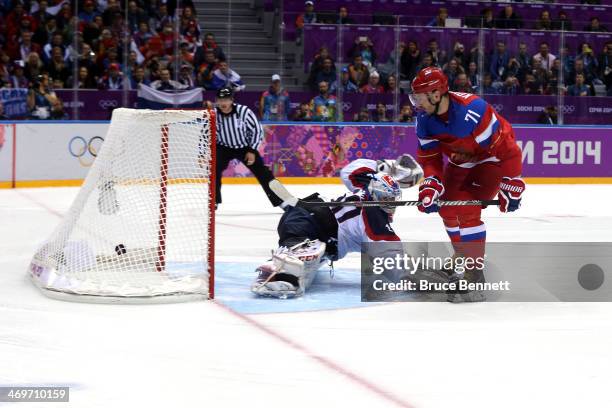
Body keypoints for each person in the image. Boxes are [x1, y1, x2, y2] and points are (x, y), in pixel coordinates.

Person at [409, 67, 524, 302]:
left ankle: (475, 275)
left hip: (491, 159)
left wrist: (511, 182)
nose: (417, 102)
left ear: (437, 93)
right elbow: (430, 159)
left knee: (466, 207)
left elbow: (509, 152)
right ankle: (461, 256)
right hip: (461, 160)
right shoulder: (424, 119)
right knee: (447, 208)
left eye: (420, 96)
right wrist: (431, 183)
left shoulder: (473, 110)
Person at [251, 156, 425, 298]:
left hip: (311, 217)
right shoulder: (375, 216)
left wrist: (385, 169)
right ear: (374, 194)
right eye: (386, 198)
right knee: (300, 244)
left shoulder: (366, 188)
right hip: (310, 221)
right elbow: (390, 256)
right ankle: (285, 266)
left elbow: (349, 172)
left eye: (393, 198)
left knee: (313, 246)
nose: (391, 203)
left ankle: (293, 258)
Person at [210, 87, 295, 209]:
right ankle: (214, 201)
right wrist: (204, 154)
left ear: (232, 100)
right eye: (221, 100)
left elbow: (257, 131)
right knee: (213, 169)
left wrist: (252, 150)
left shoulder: (244, 111)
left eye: (227, 99)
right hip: (223, 147)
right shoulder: (214, 114)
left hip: (245, 147)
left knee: (263, 173)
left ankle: (282, 201)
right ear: (217, 101)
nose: (223, 103)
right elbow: (208, 133)